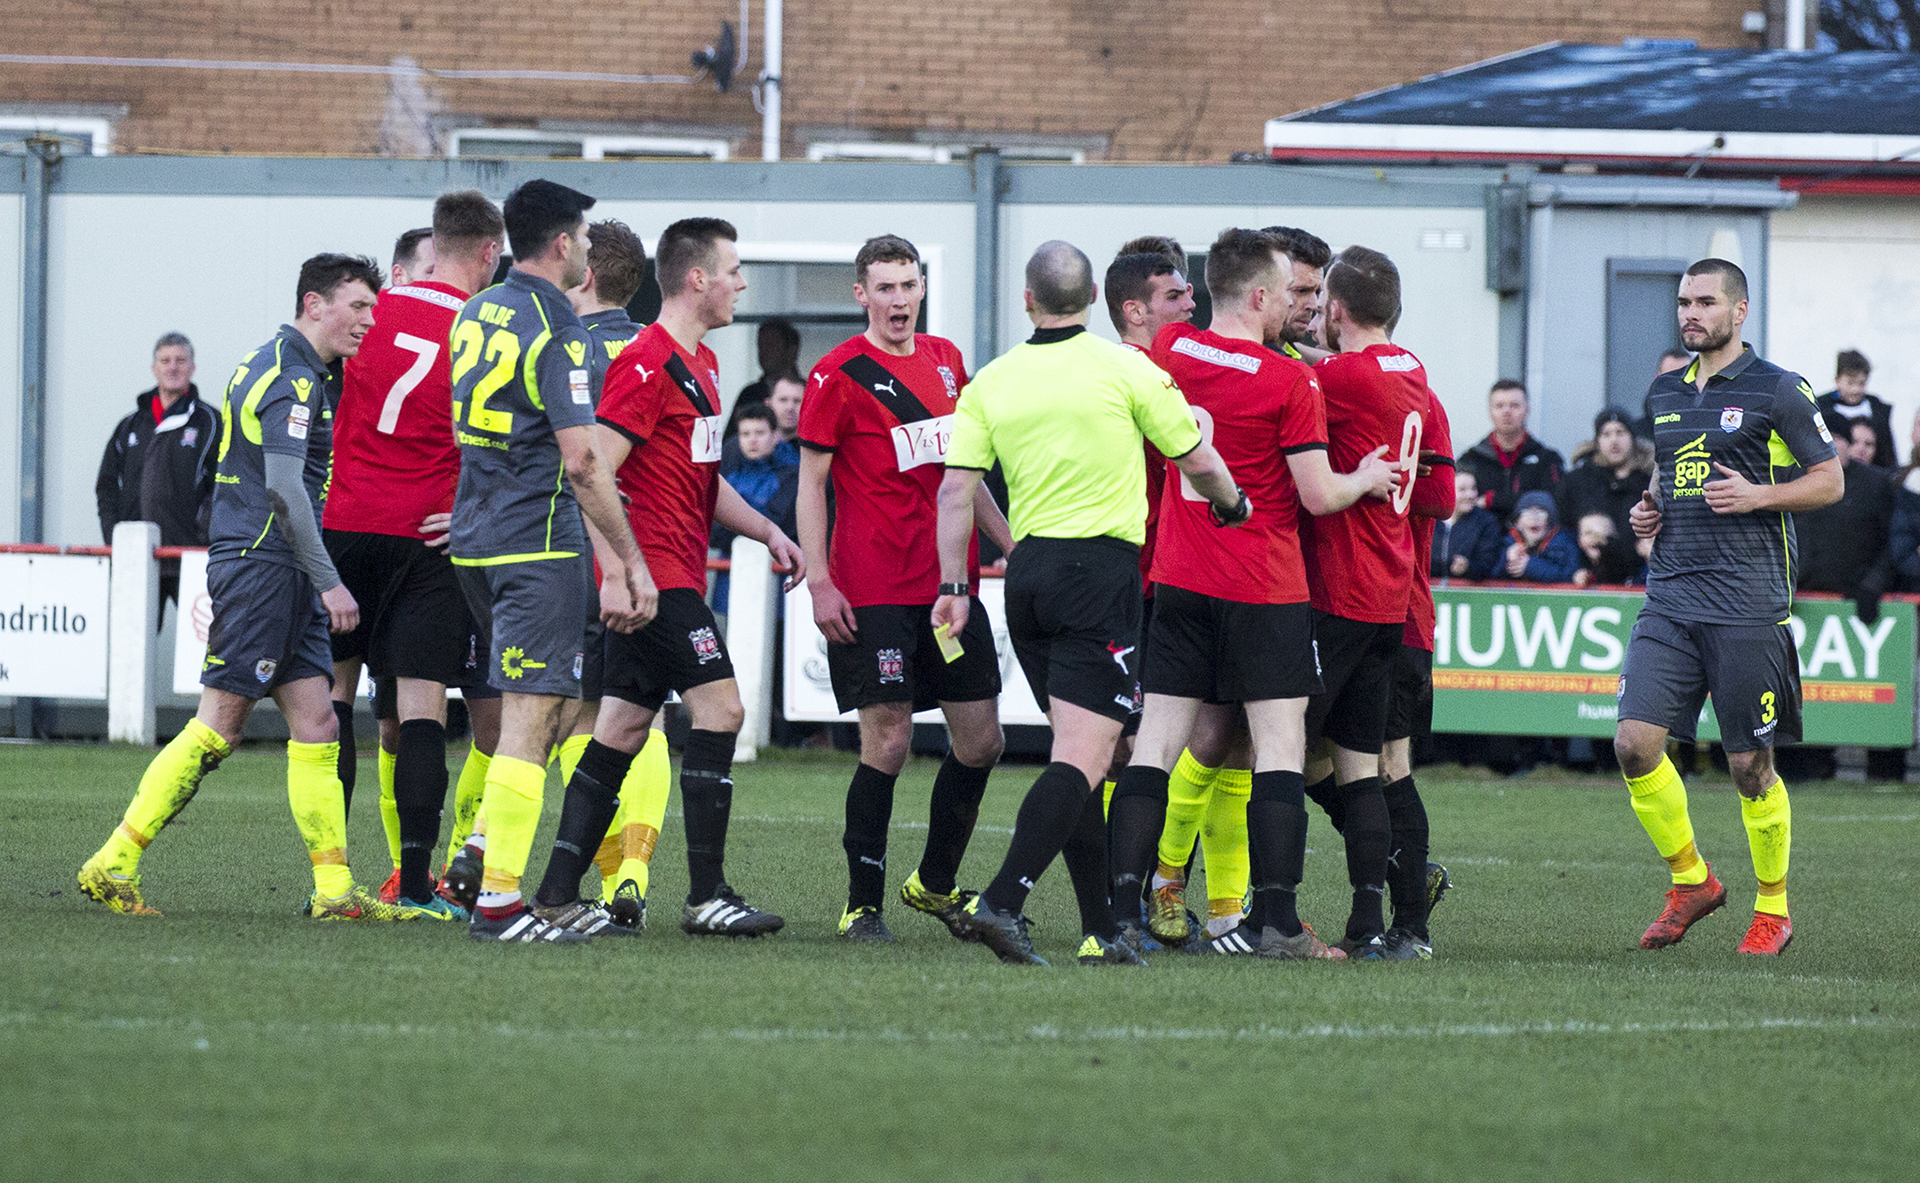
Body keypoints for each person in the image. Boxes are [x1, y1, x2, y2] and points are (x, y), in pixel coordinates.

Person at [77, 254, 431, 922]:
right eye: (357, 306)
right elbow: (283, 486)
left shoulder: (279, 362)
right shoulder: (293, 377)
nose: (369, 319)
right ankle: (113, 859)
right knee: (221, 724)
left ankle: (332, 891)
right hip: (266, 565)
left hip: (281, 567)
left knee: (320, 721)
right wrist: (329, 582)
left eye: (372, 307)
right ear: (314, 303)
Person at [933, 239, 1244, 967]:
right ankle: (1002, 899)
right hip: (1098, 573)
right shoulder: (1126, 367)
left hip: (1028, 571)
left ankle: (1103, 927)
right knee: (1086, 753)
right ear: (1088, 302)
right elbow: (1194, 453)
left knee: (1088, 758)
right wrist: (1233, 502)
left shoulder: (991, 380)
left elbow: (955, 491)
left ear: (1028, 301)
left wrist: (954, 587)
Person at [1109, 228, 1396, 961]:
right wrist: (1365, 475)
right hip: (1264, 586)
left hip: (1178, 576)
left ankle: (1119, 913)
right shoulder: (1287, 380)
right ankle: (1278, 923)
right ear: (1262, 296)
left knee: (1156, 747)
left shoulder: (1171, 352)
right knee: (1277, 747)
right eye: (1289, 294)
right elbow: (1319, 494)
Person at [525, 216, 806, 939]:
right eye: (735, 269)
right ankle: (707, 893)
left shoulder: (705, 365)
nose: (743, 283)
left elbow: (705, 483)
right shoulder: (647, 361)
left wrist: (771, 528)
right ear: (697, 278)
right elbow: (590, 469)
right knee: (724, 712)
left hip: (666, 573)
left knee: (617, 729)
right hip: (657, 579)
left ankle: (556, 894)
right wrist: (617, 571)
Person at [437, 179, 655, 944]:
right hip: (536, 541)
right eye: (585, 238)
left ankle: (481, 856)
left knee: (555, 710)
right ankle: (499, 901)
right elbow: (584, 462)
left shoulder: (475, 309)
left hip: (475, 537)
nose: (589, 251)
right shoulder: (558, 326)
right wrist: (628, 558)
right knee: (534, 719)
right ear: (562, 245)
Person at [1620, 257, 1842, 957]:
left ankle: (1772, 907)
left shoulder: (1779, 390)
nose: (1690, 313)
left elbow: (1830, 480)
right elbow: (1669, 472)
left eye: (1705, 302)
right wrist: (1650, 513)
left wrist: (1759, 495)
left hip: (1748, 604)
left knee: (1749, 765)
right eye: (1684, 301)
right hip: (1671, 597)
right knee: (1633, 743)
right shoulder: (1663, 392)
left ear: (1739, 311)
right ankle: (1692, 880)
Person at [796, 233, 1015, 944]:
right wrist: (819, 581)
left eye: (908, 284)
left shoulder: (949, 362)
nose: (899, 300)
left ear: (923, 288)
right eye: (884, 287)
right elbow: (812, 485)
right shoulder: (836, 375)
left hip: (950, 587)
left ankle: (935, 883)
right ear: (861, 295)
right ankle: (863, 904)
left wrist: (1014, 546)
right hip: (874, 586)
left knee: (982, 740)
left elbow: (965, 475)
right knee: (887, 741)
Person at [323, 191, 507, 917]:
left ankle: (331, 878)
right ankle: (420, 880)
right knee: (424, 707)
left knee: (332, 705)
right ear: (488, 253)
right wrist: (472, 510)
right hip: (430, 537)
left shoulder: (372, 313)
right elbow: (500, 440)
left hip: (346, 526)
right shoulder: (481, 328)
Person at [1292, 245, 1432, 959]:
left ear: (1335, 310)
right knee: (1362, 767)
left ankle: (1267, 913)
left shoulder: (1338, 377)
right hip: (1390, 597)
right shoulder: (1412, 369)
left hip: (1338, 591)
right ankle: (1371, 924)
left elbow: (1298, 385)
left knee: (1280, 754)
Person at [548, 215, 678, 932]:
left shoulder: (565, 349)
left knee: (572, 719)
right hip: (658, 555)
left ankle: (500, 860)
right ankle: (633, 872)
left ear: (588, 274)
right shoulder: (661, 348)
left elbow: (575, 464)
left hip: (580, 555)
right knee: (644, 713)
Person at [96, 331, 220, 624]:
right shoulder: (130, 425)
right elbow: (106, 487)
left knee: (204, 643)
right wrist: (116, 538)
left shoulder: (210, 422)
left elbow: (222, 487)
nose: (173, 367)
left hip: (189, 557)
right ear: (154, 368)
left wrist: (202, 537)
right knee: (132, 647)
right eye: (165, 360)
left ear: (192, 367)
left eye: (180, 360)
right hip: (138, 559)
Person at [1795, 412, 1893, 608]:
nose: (1828, 443)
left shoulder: (1875, 483)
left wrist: (1872, 584)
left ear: (1849, 444)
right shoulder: (1794, 478)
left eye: (1836, 437)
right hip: (1799, 592)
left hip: (1853, 595)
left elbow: (1890, 540)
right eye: (1822, 436)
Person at [1458, 379, 1564, 522]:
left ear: (1527, 410)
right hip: (1481, 541)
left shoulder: (1547, 460)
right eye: (1499, 406)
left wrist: (1493, 500)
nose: (1506, 412)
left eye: (1514, 405)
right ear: (1490, 411)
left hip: (1532, 541)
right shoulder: (1470, 460)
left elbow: (1553, 503)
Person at [1559, 407, 1654, 548]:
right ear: (1597, 441)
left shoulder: (1649, 481)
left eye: (1620, 432)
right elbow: (1564, 529)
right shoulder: (1579, 480)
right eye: (1606, 434)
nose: (1614, 441)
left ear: (1633, 438)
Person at [1817, 350, 1896, 469]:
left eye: (1861, 384)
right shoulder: (1821, 407)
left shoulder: (1877, 409)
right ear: (1837, 380)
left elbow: (1887, 451)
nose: (1855, 390)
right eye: (1850, 383)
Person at [1434, 469, 1502, 580]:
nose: (1470, 495)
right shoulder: (1429, 519)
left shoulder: (1486, 522)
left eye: (1473, 489)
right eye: (1462, 490)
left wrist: (1468, 567)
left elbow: (1489, 564)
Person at [1502, 490, 1580, 582]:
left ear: (1550, 522)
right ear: (1517, 522)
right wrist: (1507, 559)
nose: (1534, 517)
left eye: (1541, 512)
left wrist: (1531, 566)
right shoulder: (1507, 542)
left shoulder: (1565, 544)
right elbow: (1491, 572)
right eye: (1526, 512)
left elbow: (1570, 574)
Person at [735, 317, 801, 409]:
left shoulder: (809, 392)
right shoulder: (750, 395)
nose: (764, 352)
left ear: (791, 351)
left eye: (771, 346)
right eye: (761, 346)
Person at [1632, 348, 1693, 441]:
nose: (1677, 385)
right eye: (1670, 378)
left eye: (1685, 378)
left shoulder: (1711, 428)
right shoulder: (1635, 437)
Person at [1571, 513, 1639, 586]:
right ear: (1579, 539)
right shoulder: (1575, 557)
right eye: (1588, 533)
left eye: (1600, 534)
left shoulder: (1625, 561)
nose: (1594, 538)